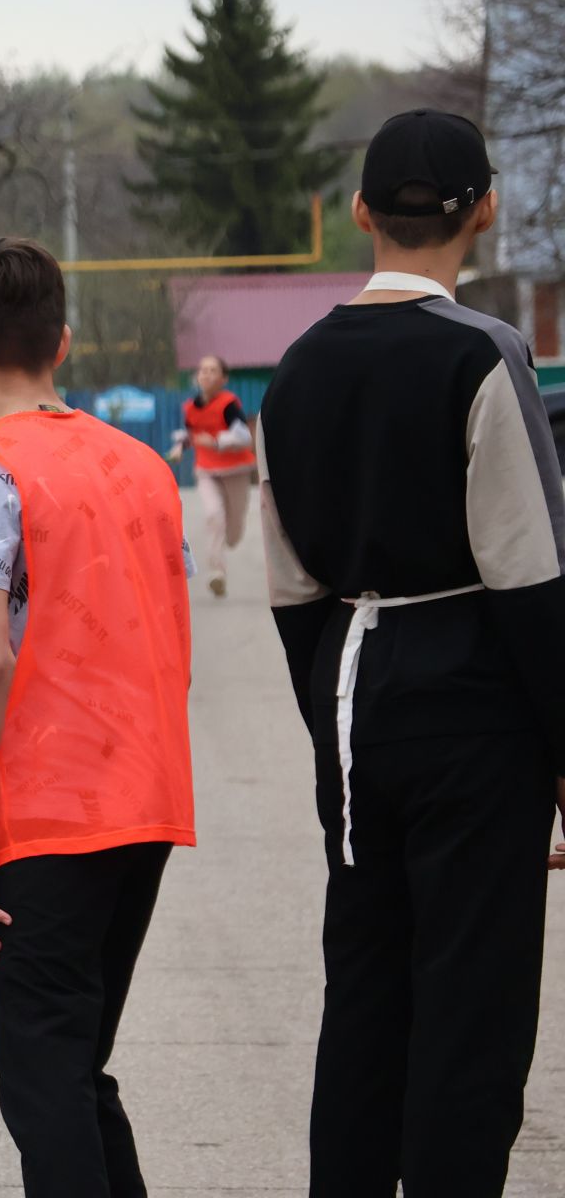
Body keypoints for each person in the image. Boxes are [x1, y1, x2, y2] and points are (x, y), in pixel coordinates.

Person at [257, 109, 565, 1195]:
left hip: (351, 690)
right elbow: (531, 576)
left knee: (369, 993)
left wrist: (334, 722)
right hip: (474, 703)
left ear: (357, 214)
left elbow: (292, 589)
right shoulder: (485, 353)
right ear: (486, 207)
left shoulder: (290, 372)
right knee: (471, 1011)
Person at [0, 237, 195, 1196]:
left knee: (42, 1076)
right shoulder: (143, 465)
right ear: (65, 341)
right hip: (150, 796)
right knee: (76, 1064)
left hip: (53, 811)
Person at [167, 354, 253, 597]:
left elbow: (244, 436)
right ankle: (217, 572)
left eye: (213, 370)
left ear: (223, 378)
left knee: (234, 533)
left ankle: (228, 540)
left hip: (235, 470)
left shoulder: (229, 405)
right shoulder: (190, 407)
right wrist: (179, 448)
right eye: (203, 370)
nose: (206, 374)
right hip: (206, 469)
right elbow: (189, 433)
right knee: (214, 515)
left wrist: (217, 442)